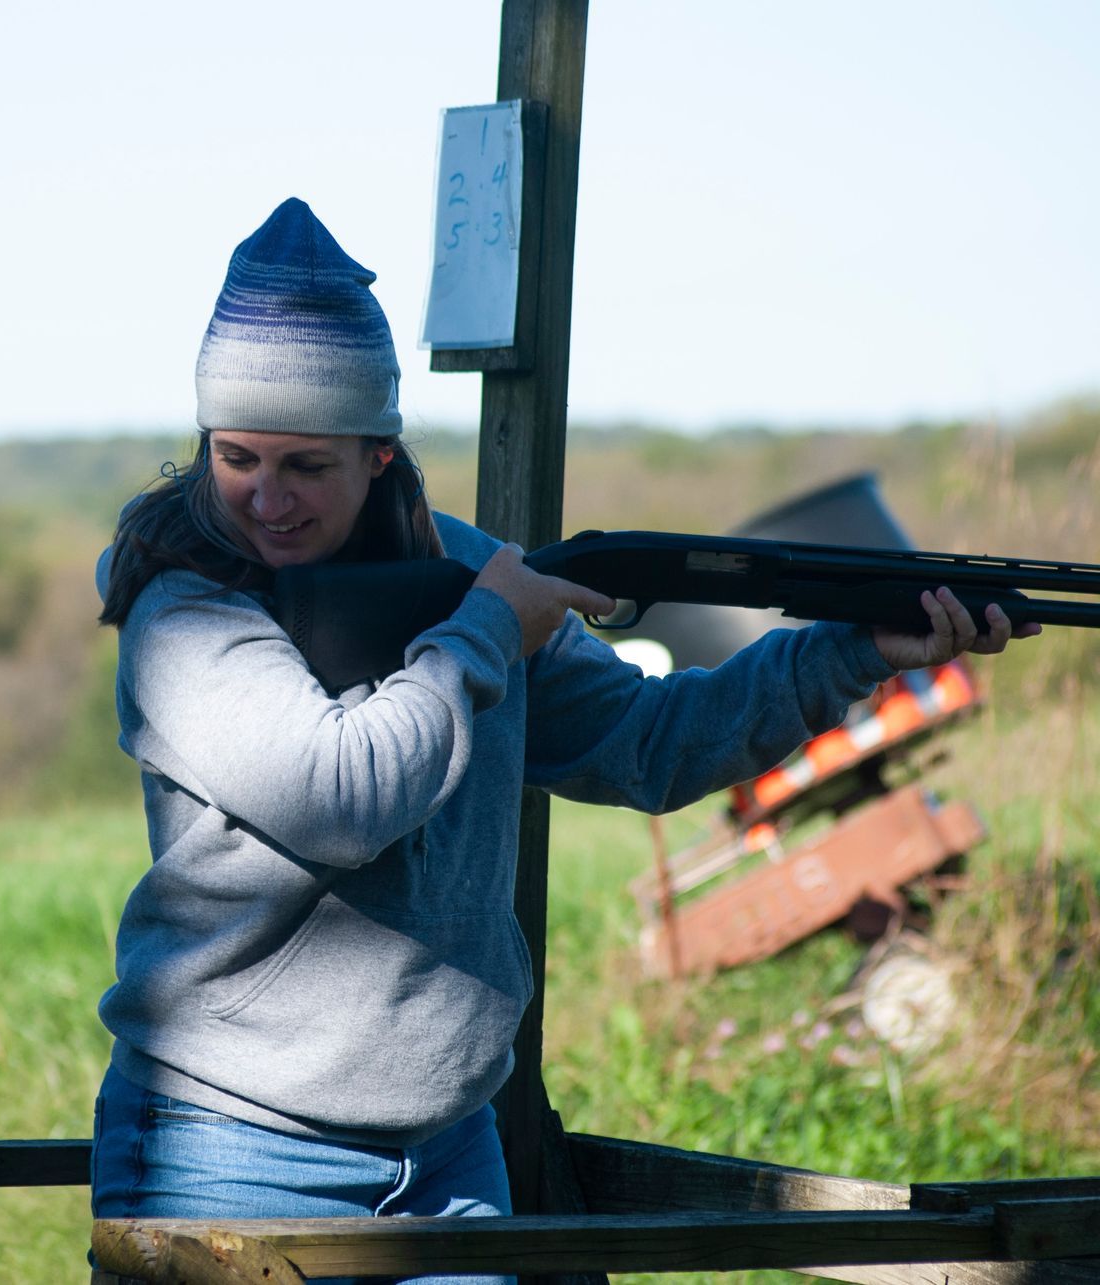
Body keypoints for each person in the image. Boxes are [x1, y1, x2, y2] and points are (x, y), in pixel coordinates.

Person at [88, 198, 1032, 1284]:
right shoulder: (185, 612)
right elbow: (336, 796)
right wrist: (490, 628)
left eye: (306, 463)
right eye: (236, 455)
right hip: (232, 1148)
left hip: (449, 1150)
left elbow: (650, 742)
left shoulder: (472, 575)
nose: (265, 495)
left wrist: (851, 652)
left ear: (380, 453)